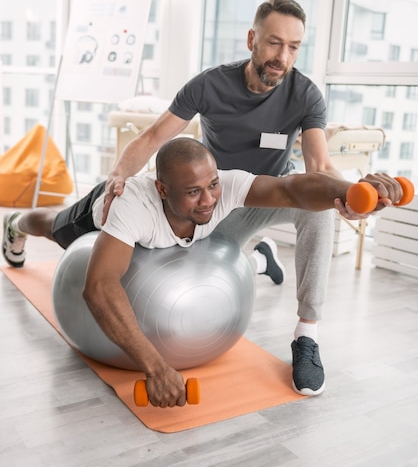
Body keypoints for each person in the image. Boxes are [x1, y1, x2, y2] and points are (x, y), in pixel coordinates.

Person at [2, 138, 401, 407]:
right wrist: (156, 366)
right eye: (193, 191)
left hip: (161, 233)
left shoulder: (223, 188)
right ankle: (16, 225)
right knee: (53, 226)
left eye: (211, 185)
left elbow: (292, 190)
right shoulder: (132, 206)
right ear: (162, 190)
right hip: (97, 216)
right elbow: (99, 287)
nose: (209, 199)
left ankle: (260, 259)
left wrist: (351, 192)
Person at [100, 0, 363, 396]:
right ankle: (260, 258)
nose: (283, 56)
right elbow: (154, 136)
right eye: (274, 42)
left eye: (294, 47)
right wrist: (118, 174)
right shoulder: (210, 85)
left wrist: (351, 196)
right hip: (220, 204)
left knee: (319, 208)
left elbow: (320, 168)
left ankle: (306, 334)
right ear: (251, 39)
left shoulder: (305, 94)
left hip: (273, 193)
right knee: (194, 268)